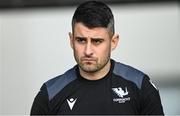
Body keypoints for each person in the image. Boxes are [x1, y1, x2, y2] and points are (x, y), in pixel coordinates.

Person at [30, 1, 164, 115]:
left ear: (113, 42)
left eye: (97, 41)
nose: (88, 51)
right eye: (81, 40)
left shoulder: (140, 87)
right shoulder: (50, 94)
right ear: (71, 40)